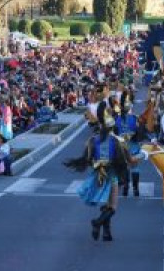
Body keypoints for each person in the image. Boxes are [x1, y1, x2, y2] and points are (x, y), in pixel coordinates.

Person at [64, 102, 134, 242]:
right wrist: (142, 155)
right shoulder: (118, 141)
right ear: (113, 126)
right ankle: (97, 222)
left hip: (98, 176)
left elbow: (88, 160)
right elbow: (127, 161)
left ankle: (106, 233)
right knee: (112, 207)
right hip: (112, 176)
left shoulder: (92, 141)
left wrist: (98, 164)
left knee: (106, 206)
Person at [114, 95, 143, 197]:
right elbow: (140, 131)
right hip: (134, 147)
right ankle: (136, 189)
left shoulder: (117, 119)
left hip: (122, 148)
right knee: (135, 167)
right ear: (130, 108)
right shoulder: (135, 118)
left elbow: (115, 133)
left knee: (125, 167)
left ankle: (126, 188)